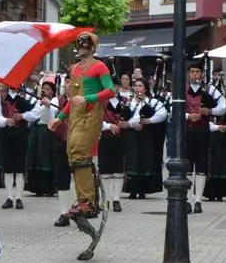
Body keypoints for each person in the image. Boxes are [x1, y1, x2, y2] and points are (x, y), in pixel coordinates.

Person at [49, 31, 115, 218]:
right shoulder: (74, 68)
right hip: (76, 117)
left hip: (91, 115)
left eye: (85, 45)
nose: (81, 48)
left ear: (93, 48)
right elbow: (72, 99)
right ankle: (83, 201)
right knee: (73, 157)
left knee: (80, 155)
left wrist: (88, 98)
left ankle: (88, 202)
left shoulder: (99, 66)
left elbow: (110, 91)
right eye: (79, 45)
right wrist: (60, 118)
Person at [183, 65, 226, 213]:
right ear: (189, 73)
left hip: (203, 131)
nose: (195, 74)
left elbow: (223, 106)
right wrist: (188, 116)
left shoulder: (210, 89)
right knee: (188, 166)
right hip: (187, 132)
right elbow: (173, 110)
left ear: (202, 74)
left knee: (201, 166)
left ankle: (198, 201)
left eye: (197, 72)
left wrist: (210, 111)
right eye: (192, 72)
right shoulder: (182, 89)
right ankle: (188, 200)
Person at [122, 78, 168, 199]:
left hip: (146, 136)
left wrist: (150, 120)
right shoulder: (128, 102)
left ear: (145, 89)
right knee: (132, 161)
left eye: (140, 86)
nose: (137, 88)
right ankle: (132, 190)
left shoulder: (152, 102)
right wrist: (130, 124)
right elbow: (126, 117)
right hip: (132, 136)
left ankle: (143, 190)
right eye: (136, 86)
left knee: (145, 161)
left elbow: (162, 113)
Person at [24, 80, 67, 198]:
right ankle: (36, 187)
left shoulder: (55, 101)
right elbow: (33, 114)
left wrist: (48, 105)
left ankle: (48, 187)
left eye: (48, 89)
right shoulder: (37, 101)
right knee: (35, 158)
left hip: (47, 132)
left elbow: (52, 113)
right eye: (43, 89)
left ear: (52, 91)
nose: (45, 91)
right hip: (36, 131)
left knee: (46, 158)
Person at [0, 83, 31, 208]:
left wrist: (23, 116)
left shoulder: (27, 96)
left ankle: (19, 197)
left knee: (20, 166)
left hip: (22, 133)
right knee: (7, 165)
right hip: (6, 133)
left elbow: (35, 114)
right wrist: (5, 120)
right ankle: (9, 197)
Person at [96, 77, 131, 212]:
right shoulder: (100, 102)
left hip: (120, 139)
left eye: (115, 86)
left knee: (118, 170)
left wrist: (126, 123)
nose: (113, 88)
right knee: (105, 171)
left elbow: (133, 117)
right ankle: (105, 199)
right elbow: (95, 120)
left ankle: (116, 199)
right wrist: (108, 126)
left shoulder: (125, 102)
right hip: (105, 138)